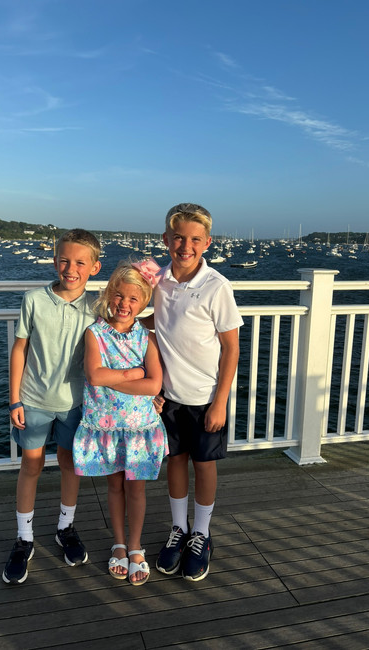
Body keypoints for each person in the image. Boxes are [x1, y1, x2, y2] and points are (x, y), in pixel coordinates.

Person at [145, 203, 243, 582]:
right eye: (179, 238)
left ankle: (201, 532)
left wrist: (220, 400)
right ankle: (178, 529)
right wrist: (117, 316)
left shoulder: (216, 285)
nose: (186, 245)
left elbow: (231, 347)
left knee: (204, 465)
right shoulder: (159, 281)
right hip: (168, 395)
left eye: (195, 239)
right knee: (175, 461)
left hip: (205, 398)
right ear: (166, 240)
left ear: (207, 243)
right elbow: (155, 320)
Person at [2, 228, 102, 585]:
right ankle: (24, 537)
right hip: (32, 400)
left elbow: (132, 318)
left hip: (76, 404)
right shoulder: (34, 299)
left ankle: (66, 527)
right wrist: (14, 398)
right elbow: (20, 349)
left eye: (79, 262)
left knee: (70, 463)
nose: (70, 268)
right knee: (31, 465)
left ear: (94, 267)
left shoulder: (98, 305)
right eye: (64, 259)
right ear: (54, 260)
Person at [72, 259, 168, 586]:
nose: (124, 304)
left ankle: (137, 544)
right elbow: (94, 375)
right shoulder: (94, 333)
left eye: (133, 299)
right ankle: (119, 543)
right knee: (115, 486)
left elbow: (154, 385)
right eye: (119, 296)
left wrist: (118, 379)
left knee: (136, 488)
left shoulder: (147, 337)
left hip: (140, 427)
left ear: (143, 303)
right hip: (106, 427)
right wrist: (132, 374)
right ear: (109, 294)